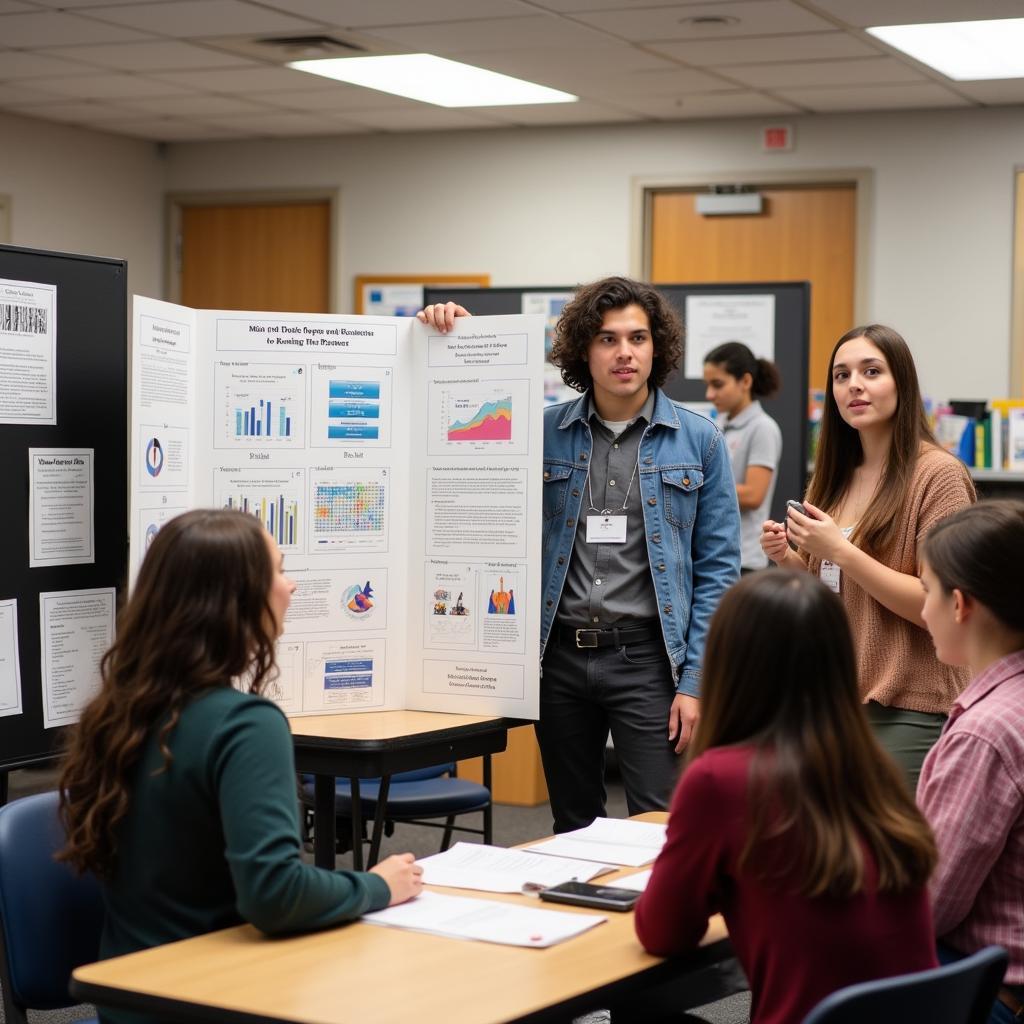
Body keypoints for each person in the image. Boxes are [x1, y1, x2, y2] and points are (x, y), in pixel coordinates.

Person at [58, 509, 421, 1022]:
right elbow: (275, 895)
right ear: (233, 600)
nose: (291, 586)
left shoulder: (120, 712)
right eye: (277, 569)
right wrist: (379, 885)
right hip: (222, 998)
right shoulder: (245, 725)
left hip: (129, 1000)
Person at [419, 278, 740, 832]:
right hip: (559, 661)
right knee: (571, 825)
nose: (624, 352)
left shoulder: (700, 440)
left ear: (655, 347)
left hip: (649, 662)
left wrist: (696, 682)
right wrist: (457, 340)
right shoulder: (541, 434)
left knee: (660, 826)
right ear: (583, 352)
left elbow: (719, 572)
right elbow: (459, 445)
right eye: (607, 339)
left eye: (638, 338)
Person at [635, 571, 939, 1024]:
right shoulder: (873, 769)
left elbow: (661, 932)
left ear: (729, 665)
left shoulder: (720, 780)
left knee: (640, 1013)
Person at [760, 324, 975, 789]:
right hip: (834, 699)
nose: (853, 384)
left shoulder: (938, 476)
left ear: (902, 382)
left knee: (885, 854)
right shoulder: (833, 477)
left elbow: (936, 605)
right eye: (841, 375)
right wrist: (791, 560)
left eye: (871, 371)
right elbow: (835, 595)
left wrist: (838, 547)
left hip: (911, 703)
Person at [917, 501, 1024, 1023]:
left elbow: (931, 907)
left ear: (959, 604)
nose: (922, 611)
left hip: (988, 991)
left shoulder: (985, 733)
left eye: (927, 592)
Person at [703, 341, 782, 572]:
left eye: (717, 385)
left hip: (744, 559)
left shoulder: (763, 428)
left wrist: (694, 484)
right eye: (707, 385)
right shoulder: (717, 425)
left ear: (745, 382)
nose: (710, 394)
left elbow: (754, 494)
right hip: (713, 553)